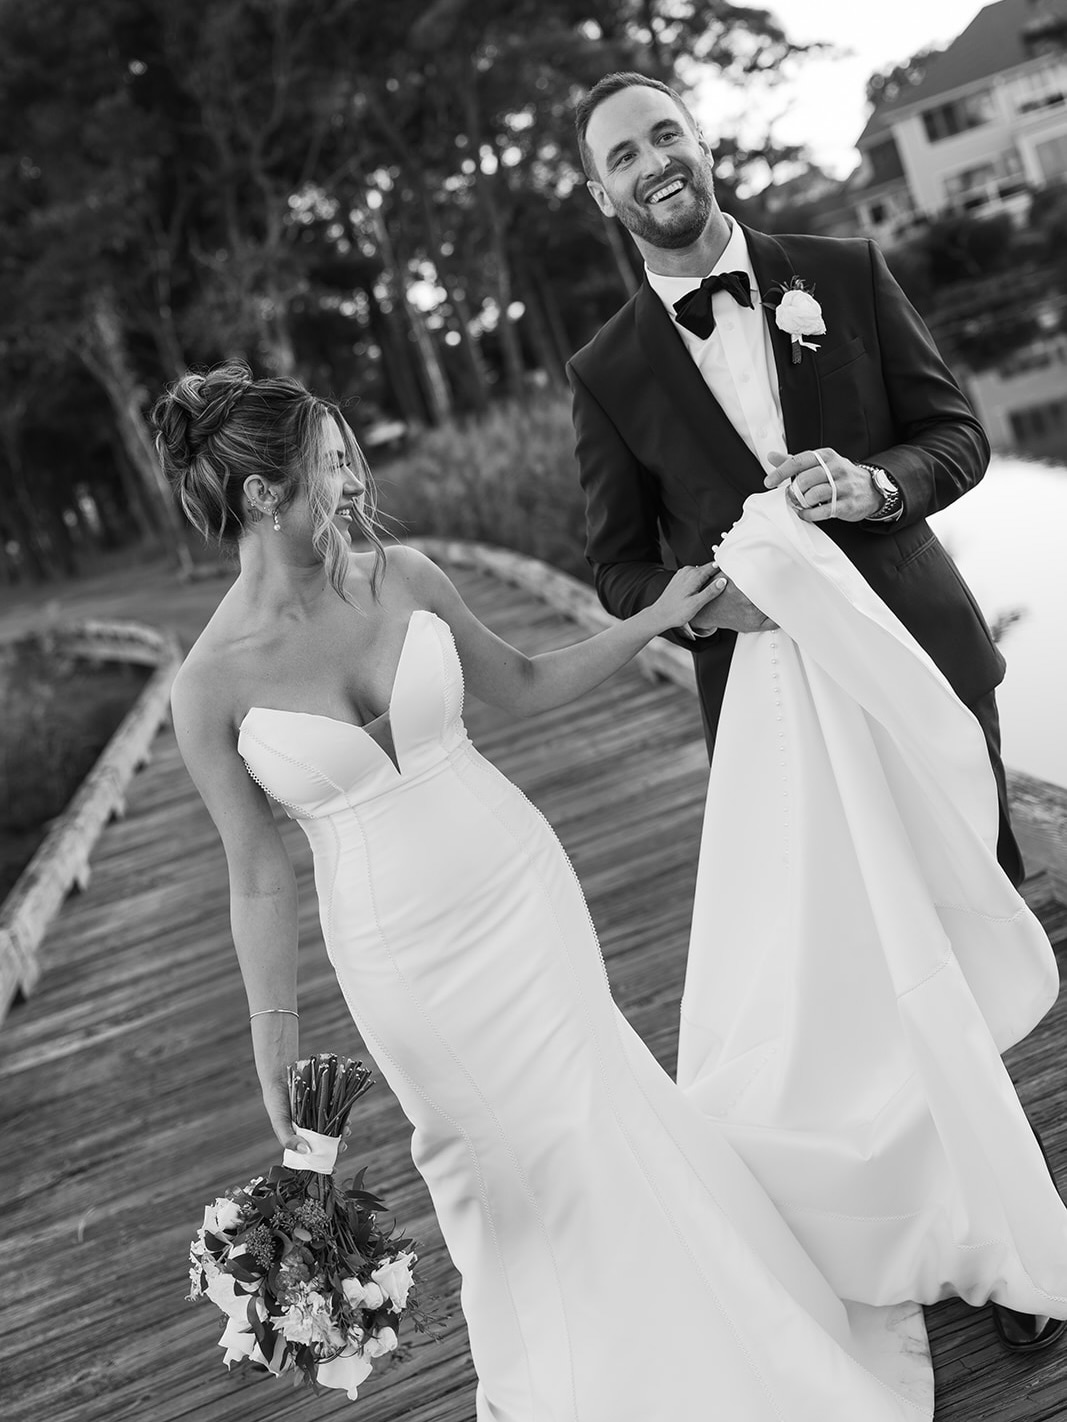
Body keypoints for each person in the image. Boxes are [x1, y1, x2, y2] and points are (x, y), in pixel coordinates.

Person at [158, 361, 941, 1421]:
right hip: (398, 957)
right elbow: (256, 879)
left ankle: (721, 1342)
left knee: (595, 1112)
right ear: (262, 494)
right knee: (492, 1166)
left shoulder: (406, 575)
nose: (350, 480)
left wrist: (656, 617)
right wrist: (276, 1051)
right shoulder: (207, 686)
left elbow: (521, 682)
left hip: (517, 889)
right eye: (328, 462)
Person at [568, 69, 1066, 1356]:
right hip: (781, 719)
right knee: (871, 974)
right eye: (622, 156)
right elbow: (618, 571)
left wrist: (876, 486)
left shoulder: (837, 270)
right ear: (600, 193)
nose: (653, 164)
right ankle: (992, 1251)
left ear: (699, 141)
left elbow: (954, 434)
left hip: (922, 669)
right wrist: (714, 611)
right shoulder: (608, 368)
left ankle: (992, 1216)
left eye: (664, 134)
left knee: (953, 946)